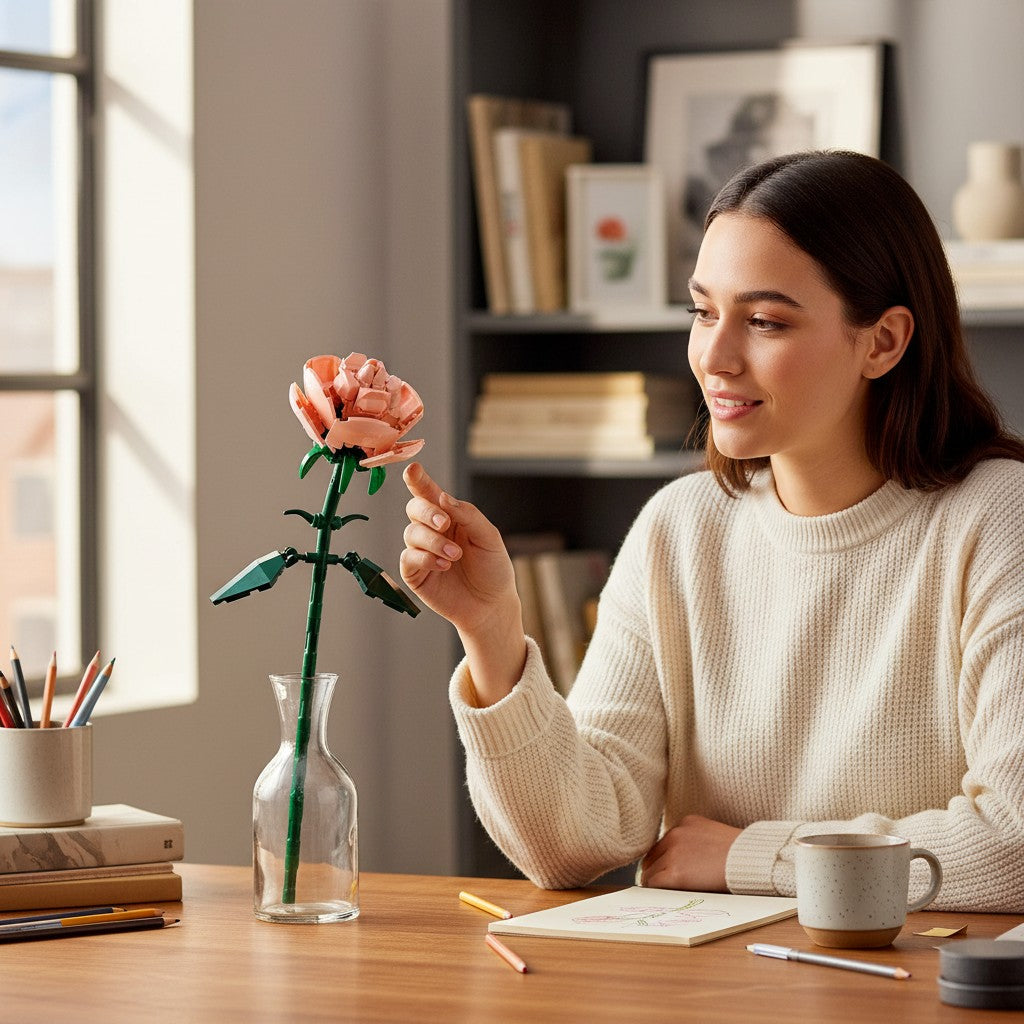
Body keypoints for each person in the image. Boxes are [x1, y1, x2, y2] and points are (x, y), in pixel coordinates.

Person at [400, 150, 1024, 912]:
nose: (714, 357)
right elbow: (572, 847)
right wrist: (492, 632)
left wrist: (752, 855)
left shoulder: (999, 520)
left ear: (883, 342)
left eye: (763, 321)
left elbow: (1014, 843)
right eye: (703, 311)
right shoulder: (679, 528)